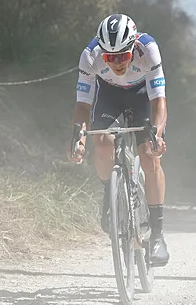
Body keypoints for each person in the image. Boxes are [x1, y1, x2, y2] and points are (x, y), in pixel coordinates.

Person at [67, 14, 170, 267]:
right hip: (109, 96)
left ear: (133, 47)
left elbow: (159, 101)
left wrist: (156, 134)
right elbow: (83, 104)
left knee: (148, 154)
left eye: (122, 56)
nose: (117, 63)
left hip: (142, 96)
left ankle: (157, 235)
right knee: (101, 141)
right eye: (110, 58)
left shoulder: (149, 50)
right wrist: (77, 138)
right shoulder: (89, 56)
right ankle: (110, 194)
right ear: (102, 53)